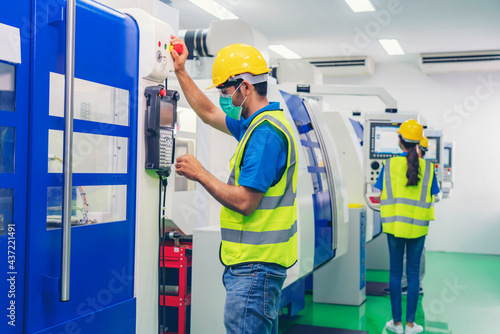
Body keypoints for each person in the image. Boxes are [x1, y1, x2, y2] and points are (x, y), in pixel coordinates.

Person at [170, 36, 298, 334]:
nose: (223, 97)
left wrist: (201, 173)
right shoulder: (257, 124)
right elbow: (209, 113)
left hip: (256, 269)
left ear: (245, 86)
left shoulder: (265, 135)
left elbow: (244, 201)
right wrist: (180, 71)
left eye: (226, 90)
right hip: (256, 266)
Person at [373, 120, 440, 334]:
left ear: (400, 141)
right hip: (418, 227)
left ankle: (396, 323)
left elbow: (377, 191)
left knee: (395, 273)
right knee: (412, 274)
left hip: (394, 226)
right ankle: (411, 325)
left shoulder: (390, 165)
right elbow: (435, 195)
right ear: (419, 142)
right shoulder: (428, 168)